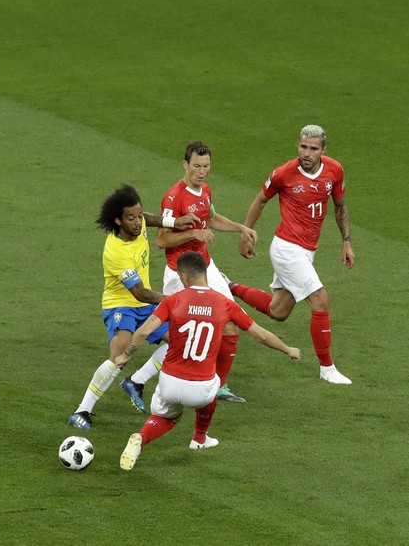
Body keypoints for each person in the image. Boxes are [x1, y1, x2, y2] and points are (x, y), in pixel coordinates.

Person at [118, 251, 300, 471]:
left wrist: (125, 355)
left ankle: (141, 437)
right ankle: (200, 437)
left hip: (168, 381)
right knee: (215, 381)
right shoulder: (225, 303)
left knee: (167, 417)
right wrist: (288, 349)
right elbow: (261, 335)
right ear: (205, 272)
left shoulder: (173, 300)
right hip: (201, 389)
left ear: (184, 277)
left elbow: (143, 331)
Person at [119, 141, 257, 406]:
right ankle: (136, 380)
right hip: (180, 274)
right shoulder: (174, 197)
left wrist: (240, 227)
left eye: (206, 166)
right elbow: (161, 240)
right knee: (181, 336)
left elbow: (211, 218)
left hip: (205, 267)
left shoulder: (205, 189)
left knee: (230, 322)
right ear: (185, 164)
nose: (201, 172)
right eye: (196, 166)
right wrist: (193, 233)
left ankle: (219, 386)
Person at [67, 185, 199, 429]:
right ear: (118, 220)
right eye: (131, 217)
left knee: (181, 342)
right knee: (119, 355)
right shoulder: (116, 252)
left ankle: (136, 382)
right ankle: (82, 410)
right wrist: (174, 300)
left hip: (145, 304)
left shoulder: (138, 225)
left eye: (139, 216)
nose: (138, 222)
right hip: (121, 305)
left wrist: (173, 222)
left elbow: (149, 219)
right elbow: (138, 292)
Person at [230, 125, 353, 384]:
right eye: (303, 147)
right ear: (298, 145)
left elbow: (340, 206)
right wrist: (245, 233)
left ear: (323, 150)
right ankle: (327, 368)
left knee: (278, 311)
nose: (306, 153)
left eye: (313, 148)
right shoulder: (283, 173)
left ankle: (229, 286)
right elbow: (260, 200)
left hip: (307, 251)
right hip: (287, 248)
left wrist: (346, 241)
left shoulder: (334, 170)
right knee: (320, 299)